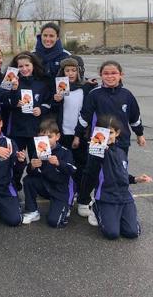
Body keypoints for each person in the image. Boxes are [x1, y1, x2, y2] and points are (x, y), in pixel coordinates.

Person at [75, 60, 145, 222]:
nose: (110, 76)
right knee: (92, 171)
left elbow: (135, 117)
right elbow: (84, 117)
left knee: (117, 172)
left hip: (121, 141)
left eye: (114, 73)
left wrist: (140, 134)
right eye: (106, 73)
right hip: (98, 140)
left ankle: (113, 203)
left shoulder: (127, 95)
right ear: (101, 75)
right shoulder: (95, 94)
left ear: (121, 75)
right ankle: (84, 201)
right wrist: (78, 136)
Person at [87, 117, 152, 240]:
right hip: (106, 196)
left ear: (117, 133)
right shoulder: (96, 151)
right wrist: (98, 150)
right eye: (104, 132)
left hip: (124, 196)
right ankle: (96, 206)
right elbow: (91, 170)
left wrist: (136, 179)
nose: (107, 136)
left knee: (133, 233)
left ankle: (121, 215)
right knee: (112, 234)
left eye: (110, 132)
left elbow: (122, 175)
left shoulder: (121, 152)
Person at [49, 57, 95, 216]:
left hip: (80, 134)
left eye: (73, 70)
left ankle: (83, 197)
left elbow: (88, 111)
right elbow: (54, 111)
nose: (70, 73)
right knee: (65, 165)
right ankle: (68, 195)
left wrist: (79, 134)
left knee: (82, 166)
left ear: (79, 71)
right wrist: (56, 100)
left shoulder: (86, 88)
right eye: (67, 70)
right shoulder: (60, 88)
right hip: (63, 134)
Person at [6, 51, 51, 190]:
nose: (24, 69)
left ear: (33, 65)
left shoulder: (42, 83)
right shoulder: (11, 81)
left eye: (27, 65)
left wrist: (41, 110)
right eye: (20, 66)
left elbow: (48, 103)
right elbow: (6, 103)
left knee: (38, 160)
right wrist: (14, 97)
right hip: (17, 129)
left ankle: (35, 186)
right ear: (16, 67)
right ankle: (14, 185)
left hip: (36, 130)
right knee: (16, 160)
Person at [21, 119, 76, 228]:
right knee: (28, 180)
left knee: (54, 222)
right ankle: (33, 211)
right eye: (42, 137)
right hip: (46, 185)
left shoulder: (65, 152)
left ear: (57, 136)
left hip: (60, 189)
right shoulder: (38, 150)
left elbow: (73, 169)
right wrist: (32, 166)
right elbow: (30, 172)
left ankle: (66, 206)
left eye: (49, 137)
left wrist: (59, 163)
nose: (46, 140)